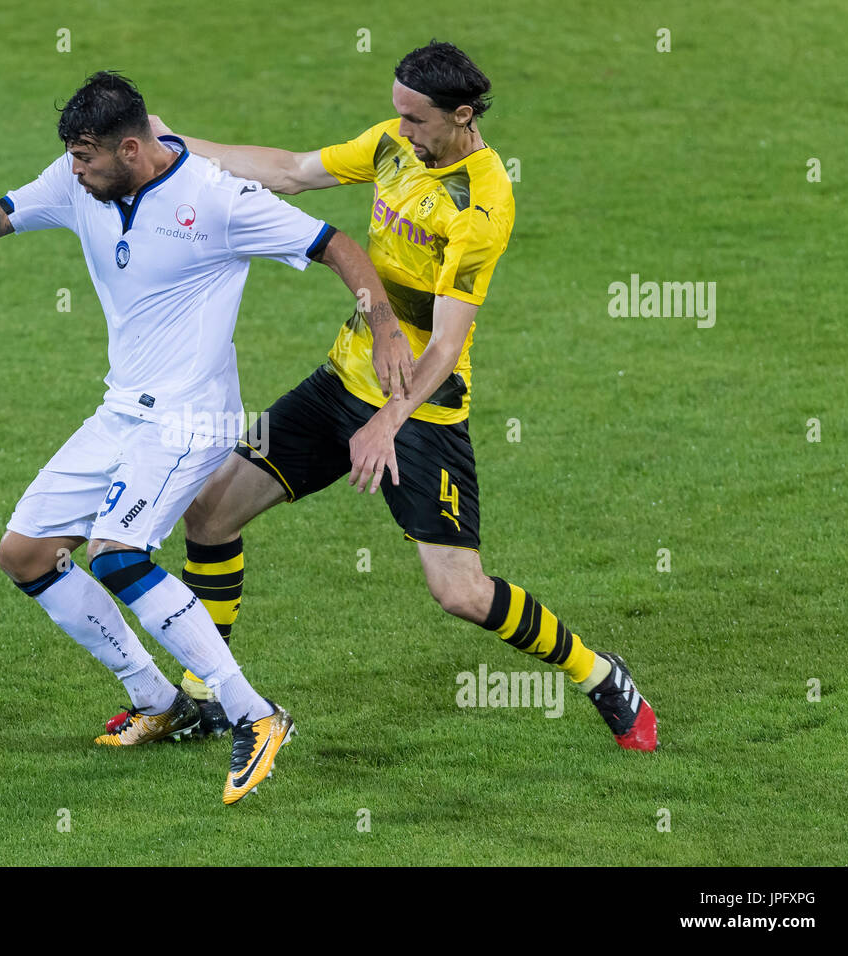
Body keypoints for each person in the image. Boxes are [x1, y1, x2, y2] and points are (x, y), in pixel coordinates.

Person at [142, 40, 658, 752]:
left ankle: (599, 674)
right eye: (398, 116)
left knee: (460, 592)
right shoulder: (391, 146)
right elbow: (291, 172)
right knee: (210, 513)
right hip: (338, 382)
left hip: (421, 410)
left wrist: (388, 421)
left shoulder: (481, 205)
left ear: (462, 115)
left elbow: (445, 345)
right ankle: (207, 693)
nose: (403, 133)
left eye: (416, 121)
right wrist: (173, 143)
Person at [0, 71, 416, 803]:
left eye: (88, 158)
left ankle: (256, 718)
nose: (74, 171)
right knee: (26, 553)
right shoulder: (79, 182)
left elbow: (335, 245)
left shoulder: (218, 200)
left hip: (194, 415)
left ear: (132, 148)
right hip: (123, 411)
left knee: (118, 555)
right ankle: (163, 703)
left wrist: (382, 320)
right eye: (71, 157)